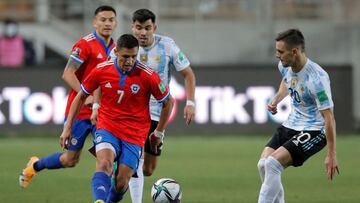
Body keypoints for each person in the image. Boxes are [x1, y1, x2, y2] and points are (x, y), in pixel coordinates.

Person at [96, 9, 195, 203]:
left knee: (148, 169)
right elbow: (103, 76)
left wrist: (190, 102)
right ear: (132, 27)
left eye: (147, 28)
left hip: (158, 113)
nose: (143, 33)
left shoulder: (167, 45)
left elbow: (188, 74)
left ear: (154, 28)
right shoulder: (121, 48)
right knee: (136, 162)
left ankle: (121, 171)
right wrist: (97, 105)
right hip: (131, 114)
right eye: (139, 28)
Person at [62, 33, 173, 203]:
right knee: (104, 164)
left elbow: (168, 103)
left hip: (135, 133)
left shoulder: (148, 75)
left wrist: (158, 133)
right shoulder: (101, 70)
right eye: (125, 57)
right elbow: (81, 96)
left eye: (133, 57)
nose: (129, 61)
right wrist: (67, 127)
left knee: (121, 183)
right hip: (108, 126)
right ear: (116, 52)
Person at [19, 5, 117, 188]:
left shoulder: (116, 49)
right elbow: (68, 73)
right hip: (79, 111)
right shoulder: (85, 44)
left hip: (102, 113)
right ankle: (35, 165)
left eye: (111, 20)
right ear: (94, 22)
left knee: (105, 161)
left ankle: (102, 197)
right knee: (70, 160)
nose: (107, 23)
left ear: (116, 23)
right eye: (103, 19)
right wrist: (85, 95)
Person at [257, 28, 339, 203]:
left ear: (294, 52)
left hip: (315, 130)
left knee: (273, 164)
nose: (277, 55)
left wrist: (331, 154)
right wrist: (277, 98)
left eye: (280, 51)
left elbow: (329, 118)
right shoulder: (285, 65)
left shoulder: (317, 79)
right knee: (263, 165)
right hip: (292, 124)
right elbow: (287, 80)